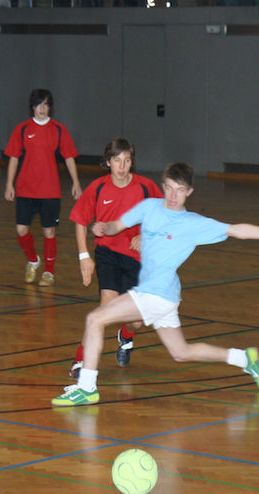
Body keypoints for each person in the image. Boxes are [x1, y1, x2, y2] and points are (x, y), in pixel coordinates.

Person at [52, 162, 259, 406]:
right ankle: (243, 358)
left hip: (156, 294)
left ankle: (87, 388)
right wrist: (103, 227)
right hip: (166, 296)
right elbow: (116, 226)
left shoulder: (193, 224)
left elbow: (238, 230)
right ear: (163, 185)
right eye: (169, 188)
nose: (173, 196)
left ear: (189, 192)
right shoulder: (149, 207)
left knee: (95, 319)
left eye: (180, 190)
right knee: (181, 352)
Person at [68, 138, 163, 376]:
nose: (122, 166)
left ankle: (127, 335)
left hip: (136, 259)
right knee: (105, 307)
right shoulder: (98, 188)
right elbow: (80, 220)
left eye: (127, 160)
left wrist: (146, 236)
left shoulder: (145, 187)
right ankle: (80, 362)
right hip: (108, 252)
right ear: (108, 162)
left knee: (136, 321)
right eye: (117, 161)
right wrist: (83, 256)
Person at [4, 88, 82, 287]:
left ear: (50, 107)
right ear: (32, 107)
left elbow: (69, 157)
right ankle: (33, 261)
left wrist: (76, 182)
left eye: (46, 104)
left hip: (50, 191)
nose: (42, 108)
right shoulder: (22, 129)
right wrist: (9, 184)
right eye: (39, 104)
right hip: (25, 189)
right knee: (21, 229)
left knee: (50, 232)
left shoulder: (58, 129)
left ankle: (49, 271)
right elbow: (14, 158)